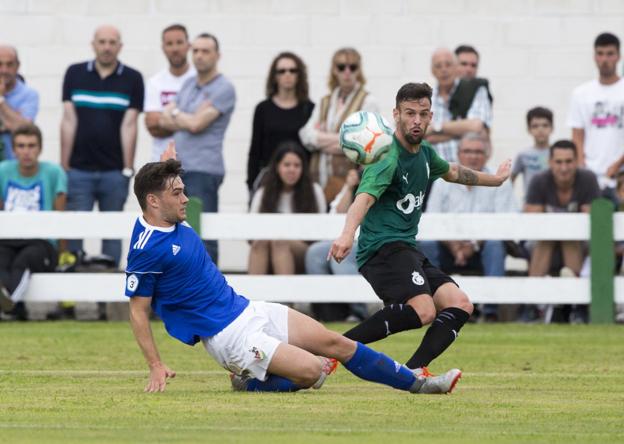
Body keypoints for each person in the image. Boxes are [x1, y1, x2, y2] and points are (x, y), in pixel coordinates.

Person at [124, 143, 461, 395]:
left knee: (335, 343)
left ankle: (419, 384)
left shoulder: (167, 213)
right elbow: (138, 312)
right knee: (314, 372)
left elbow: (160, 181)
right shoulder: (146, 250)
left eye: (183, 191)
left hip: (249, 309)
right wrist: (155, 365)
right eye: (177, 193)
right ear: (153, 201)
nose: (186, 199)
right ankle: (250, 385)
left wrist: (168, 161)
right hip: (229, 337)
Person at [329, 83, 511, 373]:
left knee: (460, 303)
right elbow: (361, 201)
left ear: (430, 117)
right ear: (396, 115)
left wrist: (496, 180)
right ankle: (333, 349)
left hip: (405, 249)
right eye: (410, 113)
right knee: (424, 309)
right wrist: (347, 234)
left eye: (423, 114)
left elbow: (453, 172)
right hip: (381, 250)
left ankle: (413, 371)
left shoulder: (425, 153)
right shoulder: (386, 158)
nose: (416, 120)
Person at [60, 25, 144, 267]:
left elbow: (130, 125)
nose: (107, 47)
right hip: (78, 171)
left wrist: (127, 169)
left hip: (114, 172)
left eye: (112, 42)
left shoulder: (133, 78)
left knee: (112, 233)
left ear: (120, 46)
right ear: (93, 44)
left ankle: (106, 301)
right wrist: (65, 166)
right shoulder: (74, 73)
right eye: (102, 42)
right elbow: (68, 120)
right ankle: (71, 297)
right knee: (75, 232)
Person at [419, 132, 517, 322]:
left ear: (487, 154)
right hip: (448, 246)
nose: (473, 156)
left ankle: (490, 311)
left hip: (482, 248)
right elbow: (433, 219)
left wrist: (472, 246)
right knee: (428, 244)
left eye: (478, 152)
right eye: (467, 151)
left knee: (496, 245)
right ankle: (440, 308)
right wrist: (455, 246)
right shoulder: (442, 181)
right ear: (458, 153)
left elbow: (503, 222)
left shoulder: (500, 181)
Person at [160, 33, 236, 265]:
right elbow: (164, 119)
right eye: (196, 51)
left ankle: (209, 293)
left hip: (204, 171)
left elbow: (196, 124)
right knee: (178, 233)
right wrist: (181, 115)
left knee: (203, 236)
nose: (200, 56)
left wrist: (178, 114)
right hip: (180, 169)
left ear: (217, 55)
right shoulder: (188, 84)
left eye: (206, 51)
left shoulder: (224, 88)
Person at [524, 140, 600, 322]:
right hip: (543, 243)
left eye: (568, 161)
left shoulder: (588, 179)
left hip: (577, 243)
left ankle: (577, 306)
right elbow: (530, 218)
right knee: (547, 238)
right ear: (550, 162)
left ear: (577, 161)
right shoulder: (539, 180)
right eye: (559, 162)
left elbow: (593, 219)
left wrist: (560, 226)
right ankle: (534, 306)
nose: (564, 167)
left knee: (569, 237)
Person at [0, 123, 67, 320]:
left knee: (24, 260)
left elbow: (62, 217)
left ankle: (9, 304)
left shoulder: (54, 172)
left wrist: (61, 253)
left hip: (41, 240)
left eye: (31, 145)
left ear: (40, 148)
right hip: (9, 238)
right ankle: (14, 308)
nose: (26, 151)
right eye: (21, 146)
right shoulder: (3, 170)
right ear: (13, 149)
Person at [299, 47, 379, 203]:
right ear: (334, 70)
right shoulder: (325, 102)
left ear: (359, 71)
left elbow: (363, 142)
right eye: (341, 67)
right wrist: (344, 140)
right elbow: (306, 135)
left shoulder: (368, 102)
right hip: (318, 180)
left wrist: (321, 141)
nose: (347, 72)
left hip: (350, 183)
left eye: (352, 67)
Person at [248, 142, 326, 275]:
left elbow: (322, 232)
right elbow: (251, 233)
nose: (292, 170)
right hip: (268, 246)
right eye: (287, 165)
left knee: (280, 242)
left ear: (303, 168)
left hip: (304, 250)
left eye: (297, 165)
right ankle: (252, 295)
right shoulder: (263, 192)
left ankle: (286, 296)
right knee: (259, 243)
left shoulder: (314, 191)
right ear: (277, 167)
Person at [246, 52, 314, 196]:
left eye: (293, 70)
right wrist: (251, 184)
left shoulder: (309, 109)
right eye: (282, 71)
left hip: (301, 182)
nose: (287, 74)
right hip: (269, 181)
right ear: (275, 76)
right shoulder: (263, 109)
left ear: (299, 75)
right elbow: (255, 151)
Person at [306, 168, 368, 322]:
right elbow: (337, 213)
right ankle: (328, 311)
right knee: (315, 253)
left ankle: (359, 311)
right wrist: (349, 186)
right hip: (344, 237)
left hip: (369, 240)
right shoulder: (351, 185)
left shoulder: (382, 178)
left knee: (342, 257)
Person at [568, 32, 624, 191]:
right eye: (600, 54)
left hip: (620, 176)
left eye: (610, 54)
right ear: (594, 56)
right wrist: (581, 168)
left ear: (619, 56)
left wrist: (617, 166)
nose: (605, 59)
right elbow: (577, 136)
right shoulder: (581, 93)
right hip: (590, 176)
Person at [426, 48, 492, 163]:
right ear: (432, 71)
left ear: (456, 68)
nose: (444, 70)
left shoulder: (475, 90)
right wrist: (459, 130)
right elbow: (417, 135)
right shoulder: (426, 98)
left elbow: (476, 127)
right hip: (433, 172)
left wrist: (434, 129)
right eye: (438, 66)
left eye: (448, 65)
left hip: (466, 171)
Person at [144, 24, 196, 161]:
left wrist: (165, 119)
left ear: (188, 45)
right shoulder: (154, 82)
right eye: (169, 44)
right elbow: (153, 126)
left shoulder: (200, 80)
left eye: (179, 42)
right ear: (163, 48)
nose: (175, 49)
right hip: (162, 163)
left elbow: (202, 126)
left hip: (195, 164)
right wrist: (189, 121)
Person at [0, 45, 39, 161]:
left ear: (18, 66)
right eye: (0, 64)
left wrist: (1, 99)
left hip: (15, 167)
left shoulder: (29, 95)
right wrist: (11, 121)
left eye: (9, 64)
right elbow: (17, 125)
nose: (4, 70)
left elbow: (25, 129)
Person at [512, 107, 553, 198]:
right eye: (535, 126)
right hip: (530, 206)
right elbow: (511, 180)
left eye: (545, 125)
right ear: (529, 130)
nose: (540, 130)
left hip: (553, 208)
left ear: (552, 128)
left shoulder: (559, 154)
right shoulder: (523, 155)